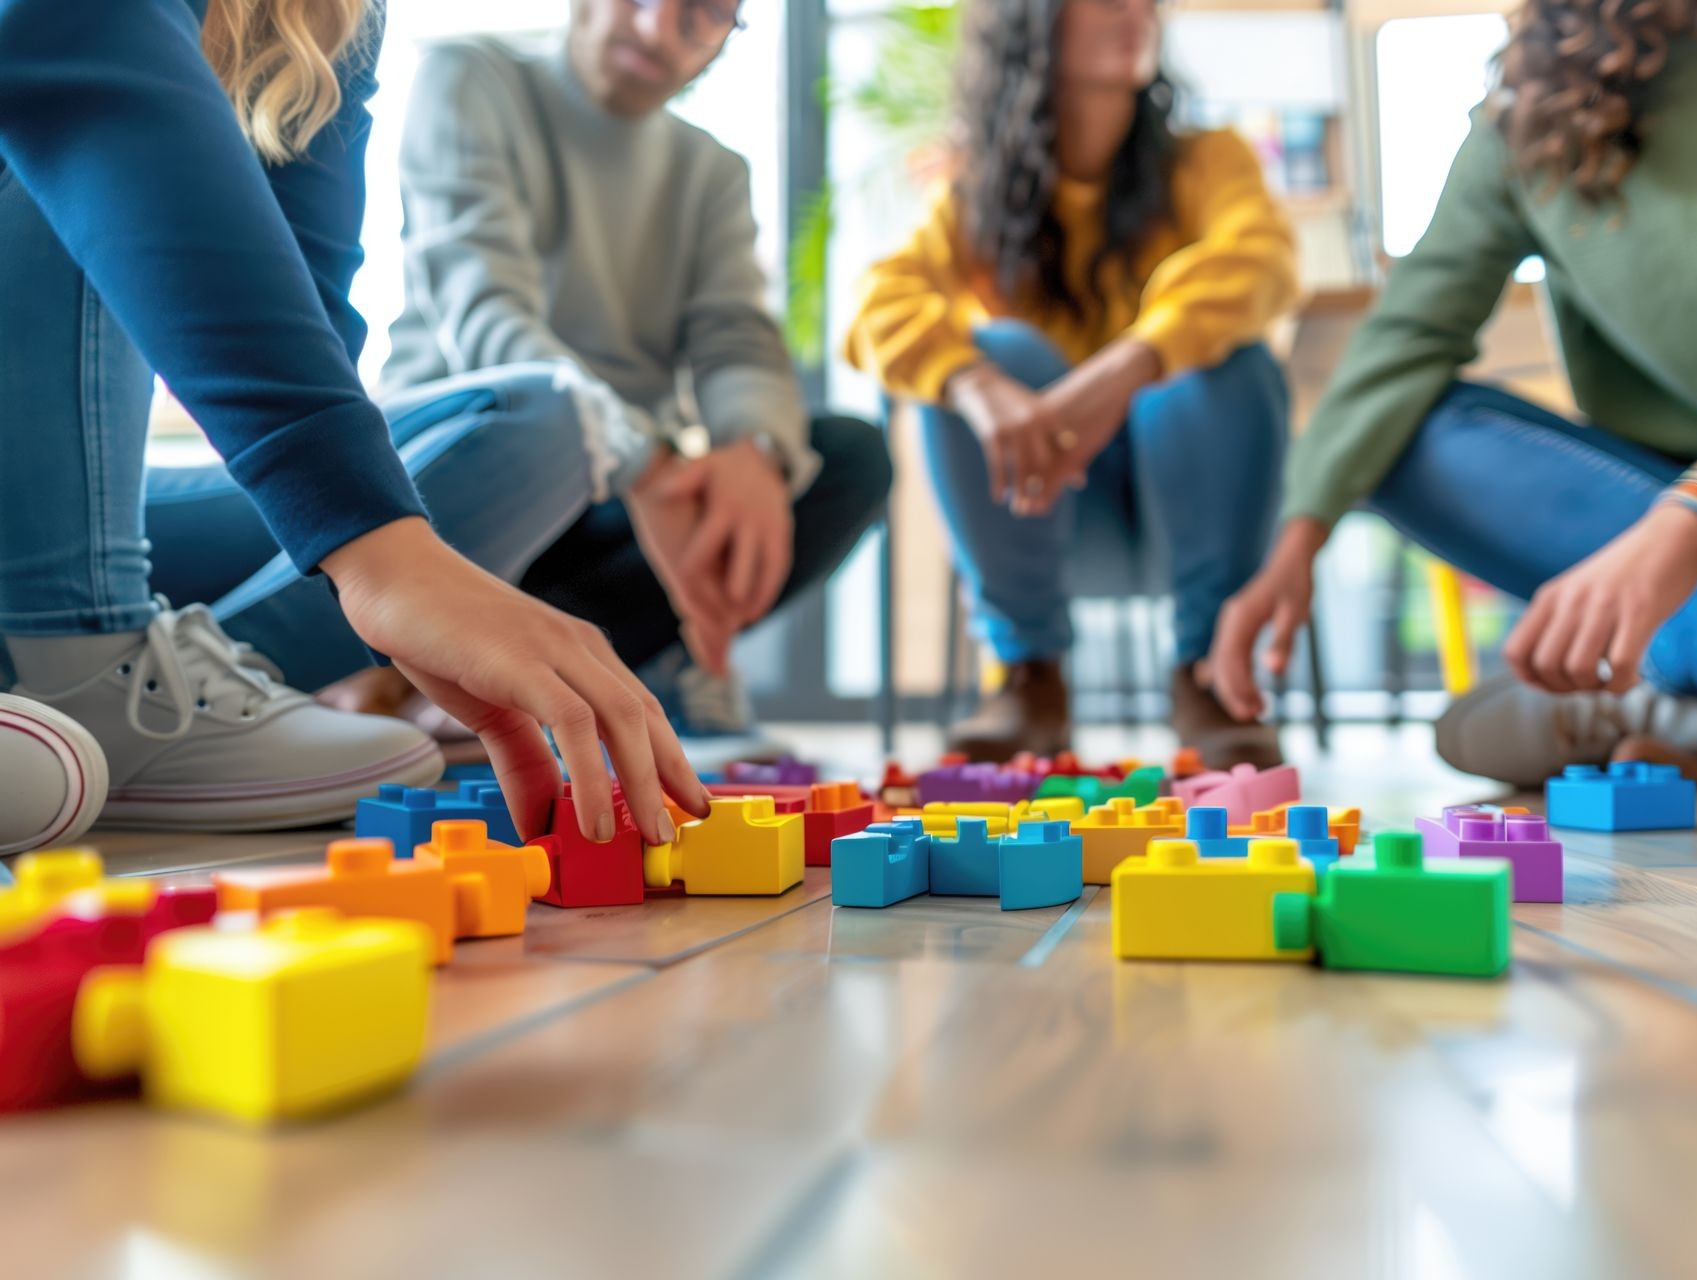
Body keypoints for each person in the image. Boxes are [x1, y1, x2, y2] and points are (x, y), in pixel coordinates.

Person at [0, 0, 707, 850]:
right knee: (60, 111)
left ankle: (130, 684)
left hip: (73, 514)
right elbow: (72, 33)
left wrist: (368, 542)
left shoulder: (334, 17)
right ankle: (85, 665)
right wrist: (383, 552)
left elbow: (307, 316)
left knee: (539, 419)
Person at [1208, 0, 1697, 788]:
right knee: (1409, 434)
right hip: (1676, 528)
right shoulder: (1529, 103)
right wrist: (1298, 540)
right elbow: (1405, 335)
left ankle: (1687, 696)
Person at [351, 0, 890, 761]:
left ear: (725, 40)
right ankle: (453, 663)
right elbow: (487, 318)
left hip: (622, 500)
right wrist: (646, 458)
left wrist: (755, 455)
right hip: (468, 475)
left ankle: (486, 680)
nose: (654, 29)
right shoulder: (470, 79)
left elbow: (736, 338)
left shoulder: (712, 173)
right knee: (539, 440)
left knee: (849, 457)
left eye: (701, 15)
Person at [845, 0, 1299, 767]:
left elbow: (1263, 262)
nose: (1136, 8)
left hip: (1195, 504)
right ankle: (1030, 676)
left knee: (1229, 360)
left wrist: (1131, 365)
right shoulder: (973, 194)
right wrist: (975, 384)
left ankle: (1207, 676)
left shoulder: (1209, 159)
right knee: (988, 351)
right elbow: (879, 299)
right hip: (1042, 499)